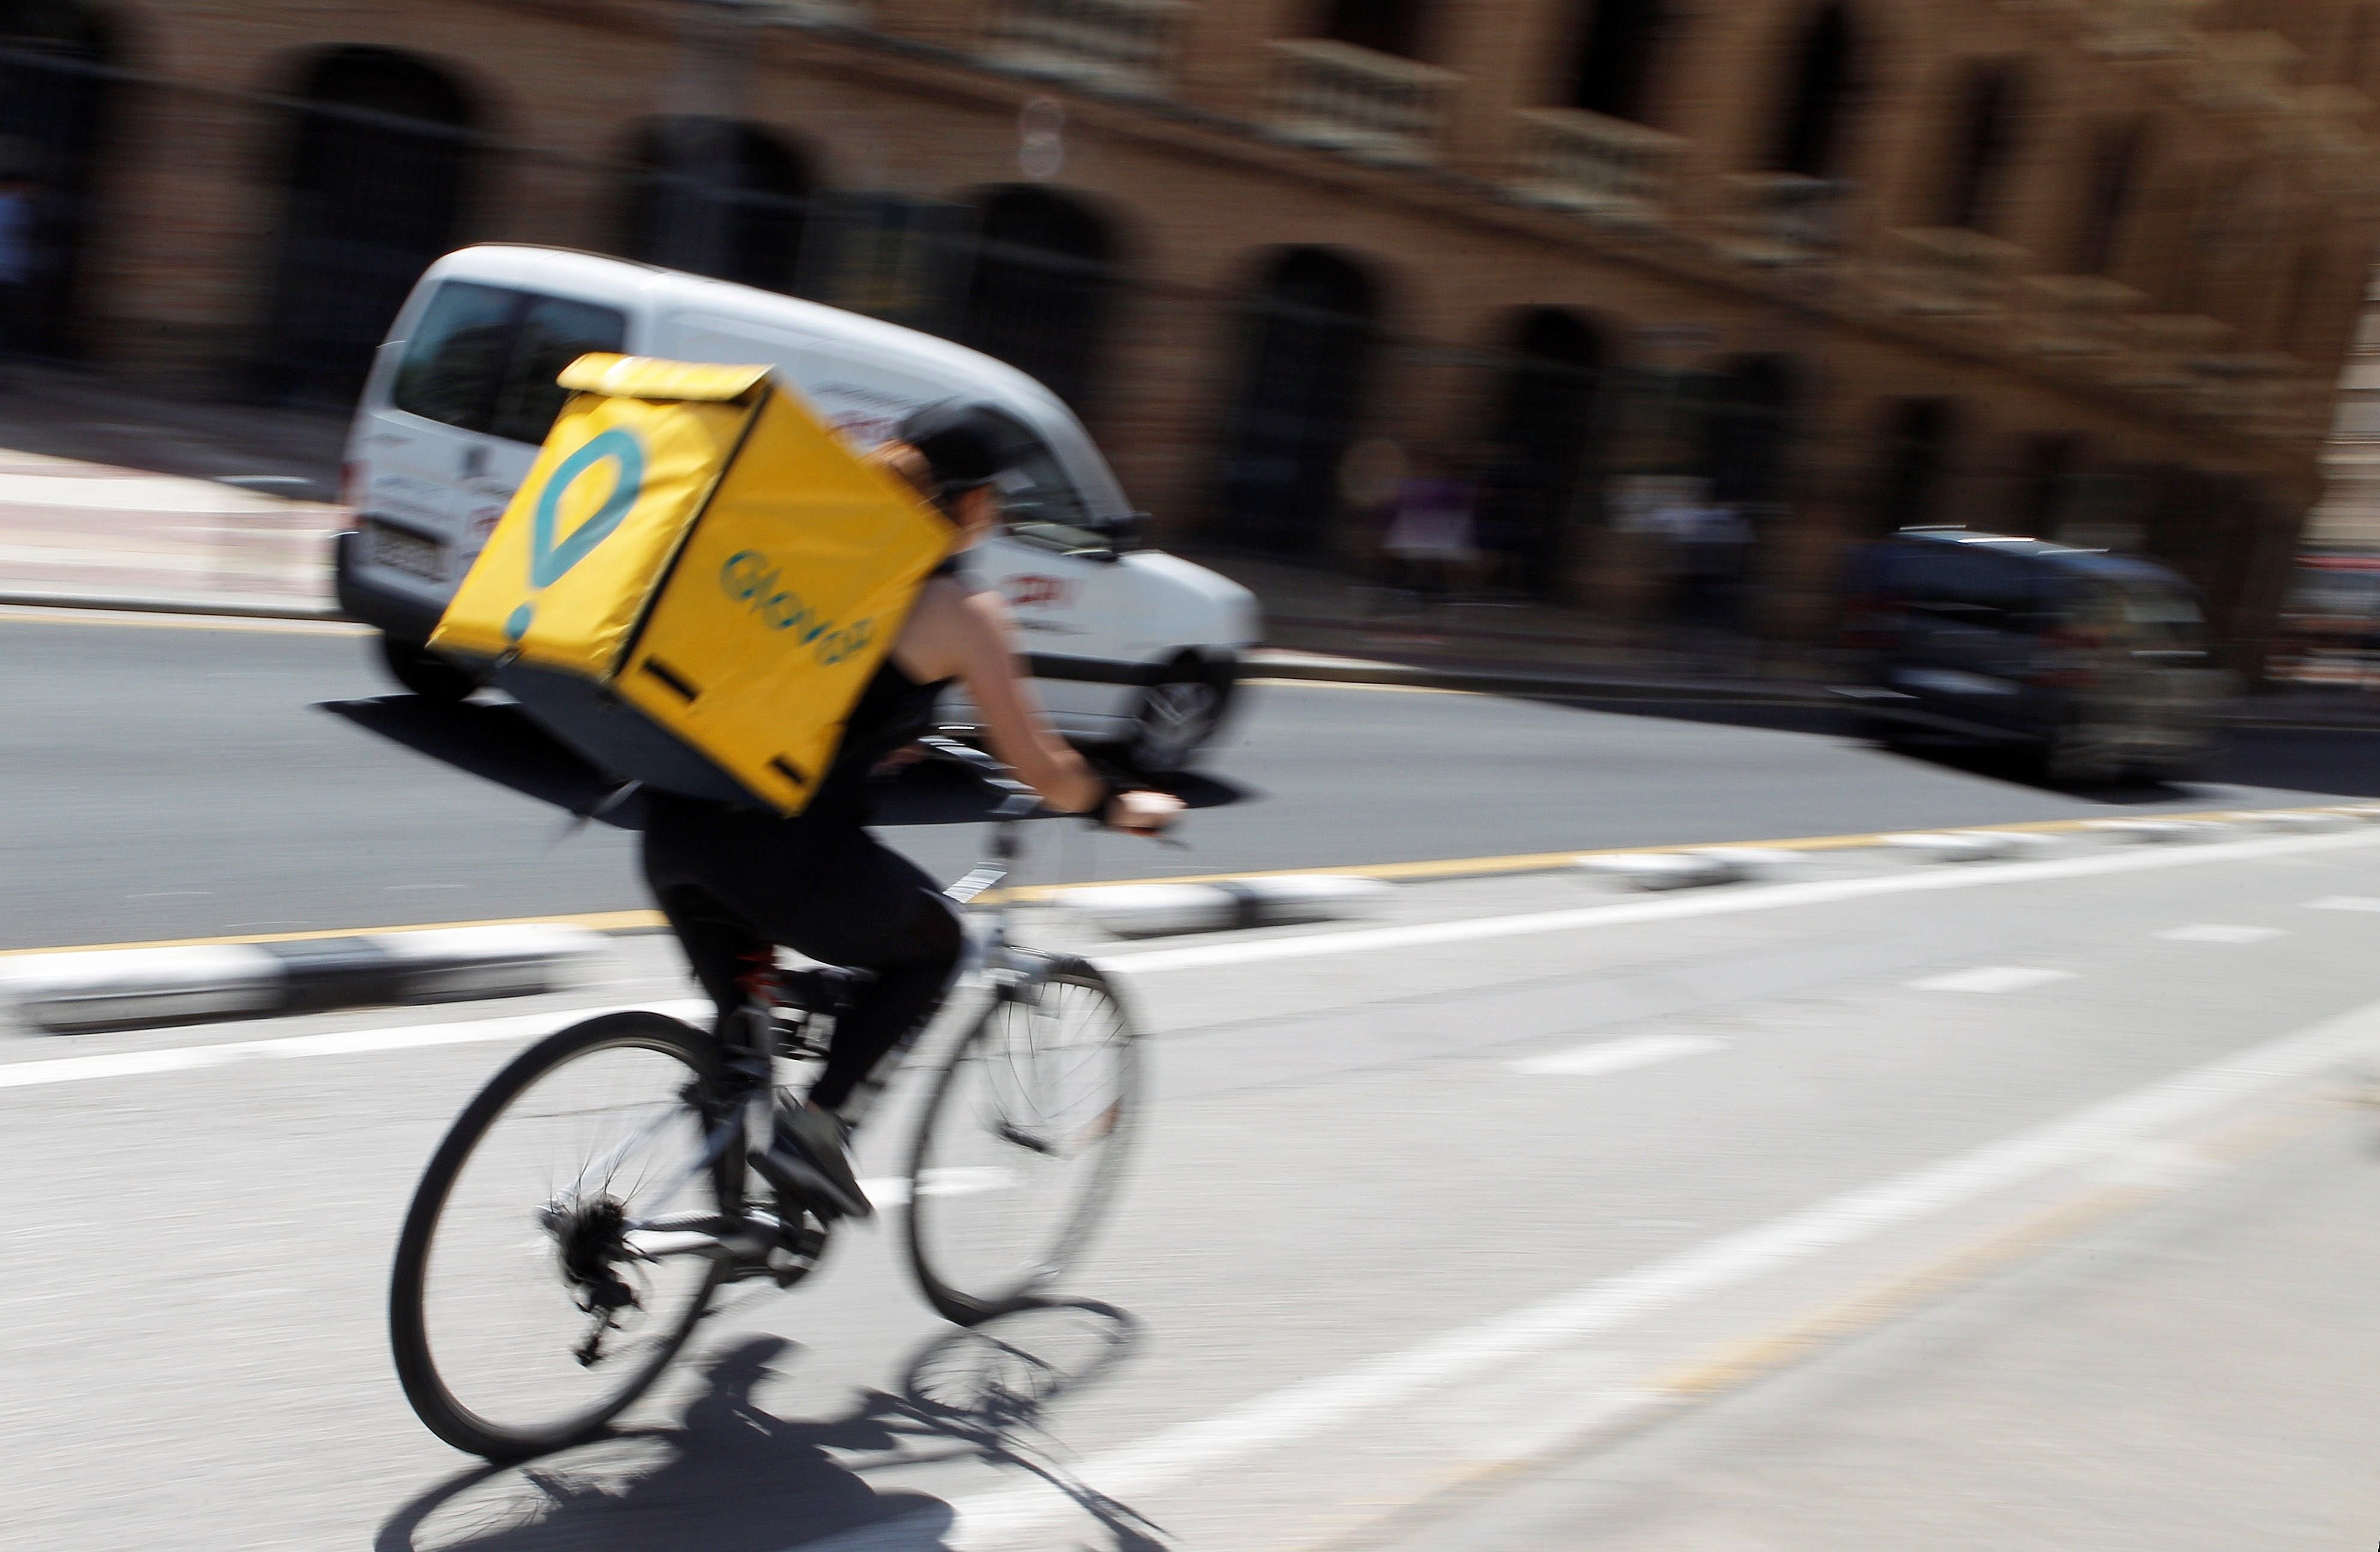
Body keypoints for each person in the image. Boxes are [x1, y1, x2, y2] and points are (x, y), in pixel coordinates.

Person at [639, 401, 1183, 1222]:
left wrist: (891, 731)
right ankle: (815, 1131)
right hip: (781, 856)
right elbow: (1042, 767)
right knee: (935, 945)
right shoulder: (961, 611)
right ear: (970, 503)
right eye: (994, 497)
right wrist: (1117, 804)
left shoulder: (815, 557)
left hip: (675, 827)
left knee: (741, 1036)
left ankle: (729, 1231)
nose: (996, 513)